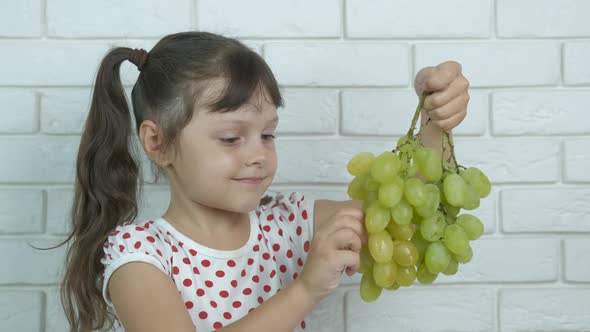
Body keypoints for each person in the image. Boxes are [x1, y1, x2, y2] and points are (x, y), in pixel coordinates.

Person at [58, 31, 469, 332]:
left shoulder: (288, 224)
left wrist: (434, 119)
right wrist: (305, 290)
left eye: (268, 134)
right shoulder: (140, 254)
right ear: (157, 142)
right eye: (231, 138)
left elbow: (410, 219)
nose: (258, 154)